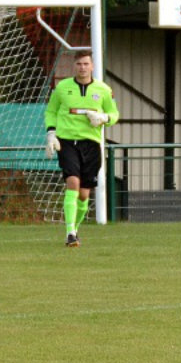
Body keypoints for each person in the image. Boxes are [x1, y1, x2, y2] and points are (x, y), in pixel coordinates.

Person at [44, 50, 119, 247]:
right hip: (67, 141)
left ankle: (75, 229)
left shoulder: (103, 90)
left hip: (91, 144)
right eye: (79, 64)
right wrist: (51, 133)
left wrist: (104, 118)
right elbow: (51, 111)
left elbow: (114, 113)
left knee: (84, 194)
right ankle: (69, 232)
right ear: (74, 66)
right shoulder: (62, 88)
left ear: (92, 66)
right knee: (73, 183)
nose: (82, 67)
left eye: (86, 64)